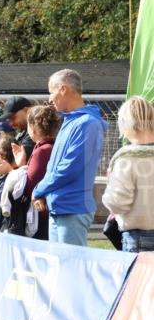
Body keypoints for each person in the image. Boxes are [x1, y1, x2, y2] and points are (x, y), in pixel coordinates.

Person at [32, 69, 107, 246]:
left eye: (52, 92)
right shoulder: (70, 121)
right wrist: (45, 192)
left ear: (63, 89)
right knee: (60, 267)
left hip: (72, 208)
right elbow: (54, 165)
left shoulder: (88, 124)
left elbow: (70, 168)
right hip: (59, 207)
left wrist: (39, 189)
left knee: (72, 269)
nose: (50, 99)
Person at [102, 96, 154, 252]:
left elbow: (118, 203)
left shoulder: (125, 159)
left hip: (138, 238)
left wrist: (109, 188)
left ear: (124, 122)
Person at [13, 104, 62, 240]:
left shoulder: (42, 150)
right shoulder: (54, 146)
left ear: (33, 127)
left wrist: (18, 168)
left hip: (40, 214)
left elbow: (30, 184)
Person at [0, 96, 35, 162]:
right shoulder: (22, 132)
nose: (10, 123)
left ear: (26, 111)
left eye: (13, 118)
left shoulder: (36, 132)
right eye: (9, 119)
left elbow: (14, 161)